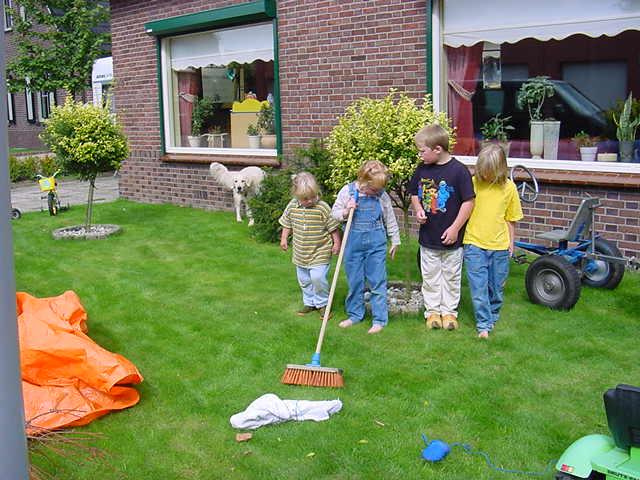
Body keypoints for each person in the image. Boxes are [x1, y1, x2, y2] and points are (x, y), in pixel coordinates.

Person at [409, 124, 475, 331]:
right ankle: (432, 313)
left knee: (451, 276)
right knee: (430, 277)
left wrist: (455, 228)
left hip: (452, 240)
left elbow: (469, 202)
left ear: (437, 149)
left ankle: (449, 313)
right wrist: (418, 208)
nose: (420, 155)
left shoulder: (459, 171)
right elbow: (413, 194)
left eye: (422, 151)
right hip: (428, 238)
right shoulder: (422, 169)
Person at [331, 160, 400, 334]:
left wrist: (395, 240)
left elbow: (389, 218)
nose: (377, 192)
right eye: (374, 189)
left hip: (376, 245)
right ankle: (355, 315)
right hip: (353, 245)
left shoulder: (381, 196)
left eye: (378, 189)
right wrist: (346, 211)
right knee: (355, 281)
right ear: (363, 181)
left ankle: (379, 319)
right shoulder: (348, 192)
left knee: (377, 281)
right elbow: (334, 214)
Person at [463, 144, 523, 339]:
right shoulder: (473, 183)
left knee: (496, 288)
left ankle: (493, 314)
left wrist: (510, 245)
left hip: (499, 246)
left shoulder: (510, 188)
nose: (486, 176)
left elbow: (510, 219)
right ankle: (483, 326)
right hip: (474, 244)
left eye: (489, 172)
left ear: (500, 169)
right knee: (478, 287)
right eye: (483, 171)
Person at [279, 172, 342, 318]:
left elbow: (333, 227)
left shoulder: (322, 207)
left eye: (313, 196)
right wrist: (284, 239)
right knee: (304, 280)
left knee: (317, 278)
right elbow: (287, 223)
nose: (310, 201)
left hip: (320, 250)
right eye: (305, 198)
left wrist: (336, 243)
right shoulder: (292, 206)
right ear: (296, 195)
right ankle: (309, 302)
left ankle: (322, 303)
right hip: (301, 251)